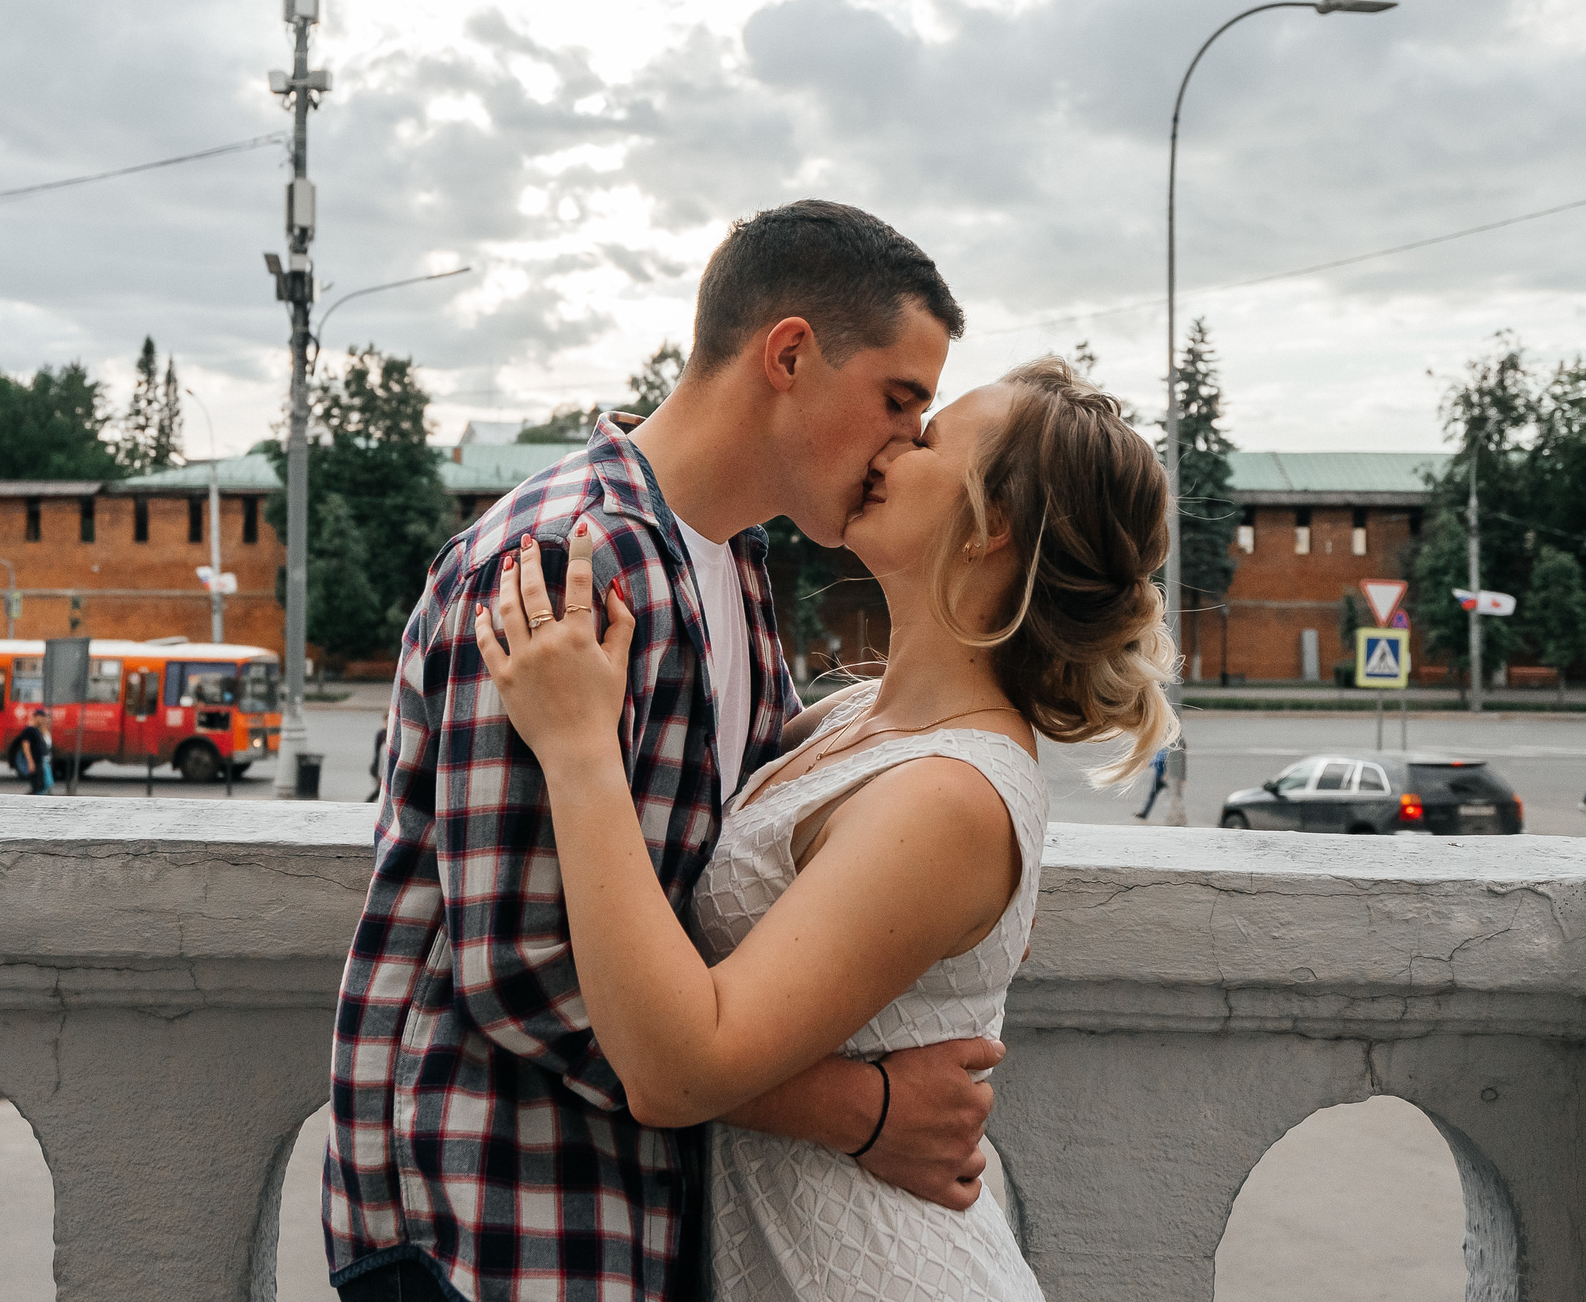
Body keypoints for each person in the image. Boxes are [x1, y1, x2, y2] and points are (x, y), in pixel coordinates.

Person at [325, 201, 1002, 1302]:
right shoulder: (565, 561)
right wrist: (858, 1108)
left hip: (625, 1216)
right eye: (897, 399)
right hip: (495, 1227)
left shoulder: (729, 565)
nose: (904, 447)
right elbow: (527, 967)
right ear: (789, 353)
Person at [479, 356, 1173, 1300]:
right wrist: (864, 1108)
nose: (891, 444)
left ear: (993, 525)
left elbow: (680, 1073)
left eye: (926, 439)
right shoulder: (857, 722)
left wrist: (578, 750)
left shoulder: (951, 797)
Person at [13, 710, 53, 796]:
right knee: (37, 785)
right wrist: (30, 762)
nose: (44, 720)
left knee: (41, 784)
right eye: (42, 717)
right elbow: (26, 747)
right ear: (37, 717)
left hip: (38, 761)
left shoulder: (36, 730)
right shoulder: (29, 731)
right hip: (34, 761)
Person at [1134, 743, 1170, 819]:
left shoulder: (1165, 749)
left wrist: (1149, 764)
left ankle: (1174, 815)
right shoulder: (1162, 749)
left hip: (1164, 777)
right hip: (1159, 776)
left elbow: (1160, 761)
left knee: (1171, 796)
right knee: (1153, 796)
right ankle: (1144, 814)